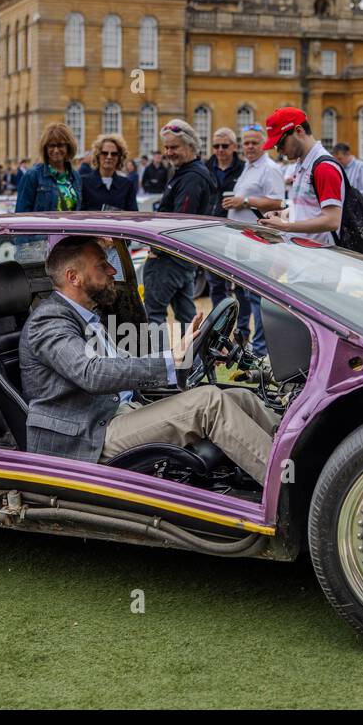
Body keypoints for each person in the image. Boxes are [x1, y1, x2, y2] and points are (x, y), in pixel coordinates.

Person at [19, 236, 280, 485]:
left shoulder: (86, 316)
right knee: (208, 402)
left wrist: (186, 353)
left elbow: (124, 363)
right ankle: (287, 489)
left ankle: (294, 460)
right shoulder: (49, 321)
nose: (112, 271)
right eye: (102, 265)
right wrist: (169, 360)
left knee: (240, 396)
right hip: (86, 436)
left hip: (115, 414)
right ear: (73, 277)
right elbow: (92, 373)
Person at [147, 118, 217, 334]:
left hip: (170, 259)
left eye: (174, 147)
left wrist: (157, 250)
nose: (169, 152)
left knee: (153, 316)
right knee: (188, 317)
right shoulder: (190, 173)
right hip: (184, 258)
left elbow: (179, 221)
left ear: (190, 146)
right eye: (166, 147)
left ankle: (158, 366)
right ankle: (197, 364)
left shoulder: (192, 178)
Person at [223, 122, 286, 355]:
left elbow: (280, 202)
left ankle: (260, 350)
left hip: (259, 241)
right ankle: (248, 346)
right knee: (245, 296)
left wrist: (246, 202)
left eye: (254, 142)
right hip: (243, 241)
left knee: (258, 298)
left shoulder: (269, 168)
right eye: (246, 143)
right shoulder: (249, 167)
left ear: (264, 144)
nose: (249, 147)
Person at [256, 107, 344, 246]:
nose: (279, 150)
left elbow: (332, 220)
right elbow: (309, 210)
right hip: (303, 253)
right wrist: (283, 215)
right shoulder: (302, 163)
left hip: (320, 258)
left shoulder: (324, 167)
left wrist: (285, 226)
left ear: (299, 131)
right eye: (276, 146)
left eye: (281, 143)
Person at [205, 127, 245, 315]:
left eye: (224, 146)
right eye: (216, 146)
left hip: (236, 232)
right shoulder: (205, 168)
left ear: (234, 147)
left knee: (242, 285)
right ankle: (218, 325)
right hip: (210, 232)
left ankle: (243, 331)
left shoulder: (244, 169)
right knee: (215, 283)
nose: (220, 150)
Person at [15, 122, 82, 213]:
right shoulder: (33, 175)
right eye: (52, 145)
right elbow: (21, 213)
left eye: (60, 145)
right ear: (45, 148)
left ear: (68, 147)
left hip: (71, 227)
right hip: (42, 227)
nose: (56, 150)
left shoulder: (75, 176)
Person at [80, 134, 138, 211]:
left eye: (114, 154)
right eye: (105, 153)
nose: (109, 157)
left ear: (119, 157)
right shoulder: (83, 183)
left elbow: (133, 215)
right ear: (98, 155)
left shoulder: (127, 185)